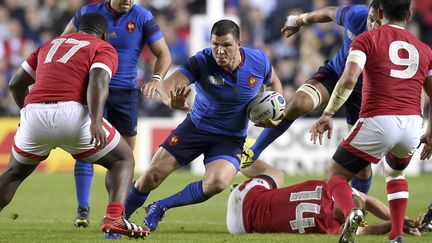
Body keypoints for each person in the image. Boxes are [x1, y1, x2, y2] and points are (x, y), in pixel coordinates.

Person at [0, 13, 149, 238]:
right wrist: (97, 120)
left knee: (13, 174)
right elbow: (99, 80)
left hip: (34, 114)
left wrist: (27, 112)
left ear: (77, 29)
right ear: (105, 34)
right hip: (73, 115)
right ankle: (115, 216)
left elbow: (15, 84)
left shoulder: (48, 45)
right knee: (123, 159)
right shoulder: (103, 47)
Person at [125, 19, 283, 231]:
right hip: (195, 128)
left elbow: (274, 81)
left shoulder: (259, 61)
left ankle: (160, 206)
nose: (219, 51)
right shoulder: (202, 61)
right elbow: (165, 87)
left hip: (230, 137)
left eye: (226, 45)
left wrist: (276, 109)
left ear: (239, 44)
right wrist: (172, 102)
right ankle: (118, 220)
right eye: (215, 44)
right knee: (151, 177)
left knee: (217, 182)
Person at [309, 0, 432, 242]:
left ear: (379, 12)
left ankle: (351, 211)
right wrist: (430, 131)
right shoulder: (425, 49)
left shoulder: (366, 39)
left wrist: (328, 113)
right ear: (409, 15)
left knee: (335, 175)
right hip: (411, 124)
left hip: (378, 119)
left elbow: (348, 79)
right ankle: (396, 235)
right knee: (395, 175)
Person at [241, 0, 382, 195]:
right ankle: (253, 151)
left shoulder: (392, 40)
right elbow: (331, 13)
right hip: (335, 75)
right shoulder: (356, 14)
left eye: (378, 22)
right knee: (298, 103)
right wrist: (299, 20)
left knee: (362, 168)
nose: (372, 25)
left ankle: (358, 214)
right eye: (370, 19)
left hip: (364, 93)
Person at [62, 0, 172, 227]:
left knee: (125, 158)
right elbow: (64, 42)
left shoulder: (143, 17)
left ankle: (116, 212)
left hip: (125, 93)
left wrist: (156, 79)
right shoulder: (89, 12)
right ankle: (83, 209)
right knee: (86, 149)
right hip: (91, 88)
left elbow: (163, 54)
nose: (128, 0)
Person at [229, 159, 421, 236]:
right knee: (277, 178)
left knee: (276, 174)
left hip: (244, 197)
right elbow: (369, 228)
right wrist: (396, 222)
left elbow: (366, 201)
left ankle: (238, 155)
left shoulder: (329, 186)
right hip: (241, 228)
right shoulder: (330, 225)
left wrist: (395, 221)